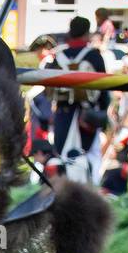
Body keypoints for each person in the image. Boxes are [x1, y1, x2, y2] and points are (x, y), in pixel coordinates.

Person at [46, 16, 109, 183]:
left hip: (63, 114)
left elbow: (49, 88)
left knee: (64, 157)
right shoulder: (94, 57)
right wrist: (103, 111)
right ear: (86, 33)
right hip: (87, 116)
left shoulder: (59, 57)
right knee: (89, 157)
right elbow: (104, 90)